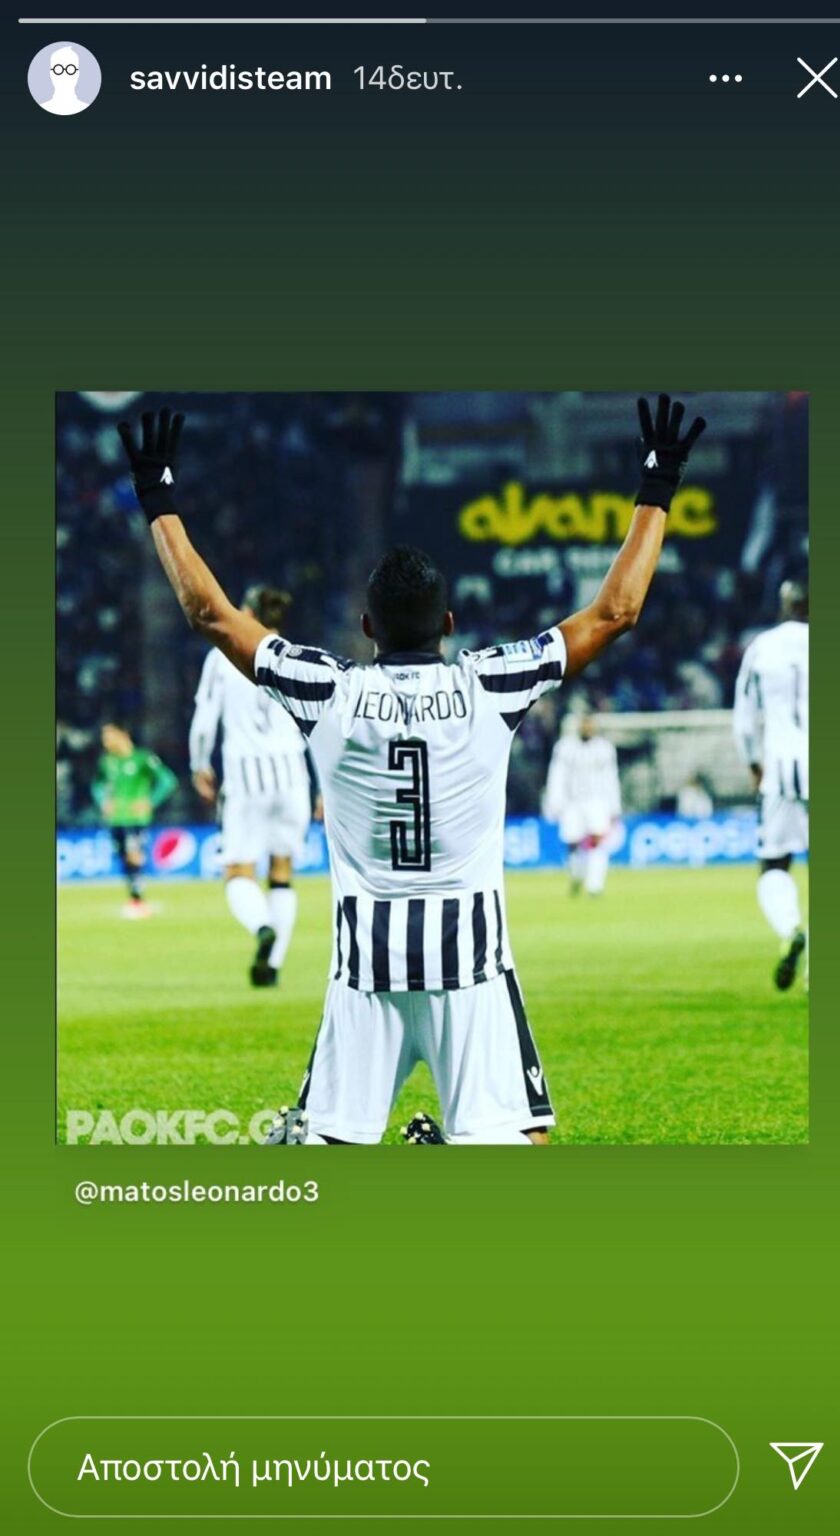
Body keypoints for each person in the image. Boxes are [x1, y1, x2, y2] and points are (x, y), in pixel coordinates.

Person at [116, 395, 706, 1143]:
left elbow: (211, 615)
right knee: (523, 1141)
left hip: (366, 968)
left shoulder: (328, 690)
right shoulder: (491, 684)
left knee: (327, 1142)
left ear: (367, 627)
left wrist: (157, 496)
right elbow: (614, 613)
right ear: (449, 625)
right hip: (472, 965)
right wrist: (658, 483)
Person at [189, 585, 313, 987]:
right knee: (282, 872)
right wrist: (323, 786)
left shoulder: (223, 655)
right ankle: (271, 967)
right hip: (293, 774)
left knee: (239, 871)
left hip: (246, 776)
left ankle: (262, 927)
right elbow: (316, 725)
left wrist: (199, 763)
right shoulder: (298, 657)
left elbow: (204, 719)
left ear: (248, 613)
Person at [733, 579, 809, 990]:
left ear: (784, 605)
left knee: (774, 864)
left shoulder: (762, 647)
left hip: (781, 766)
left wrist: (753, 763)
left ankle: (791, 929)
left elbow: (744, 720)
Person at [92, 723, 178, 918]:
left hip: (136, 818)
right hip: (115, 818)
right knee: (124, 857)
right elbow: (96, 784)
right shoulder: (107, 762)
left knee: (134, 855)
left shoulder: (143, 758)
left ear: (123, 734)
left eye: (109, 737)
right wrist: (103, 801)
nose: (106, 742)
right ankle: (134, 897)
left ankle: (138, 900)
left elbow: (168, 780)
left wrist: (151, 801)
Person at [544, 713, 621, 896]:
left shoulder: (604, 749)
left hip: (597, 801)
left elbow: (611, 777)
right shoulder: (564, 748)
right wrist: (554, 802)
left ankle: (595, 885)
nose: (587, 728)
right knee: (572, 842)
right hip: (572, 802)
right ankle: (577, 873)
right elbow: (556, 776)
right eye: (584, 724)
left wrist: (614, 806)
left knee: (597, 839)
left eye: (590, 725)